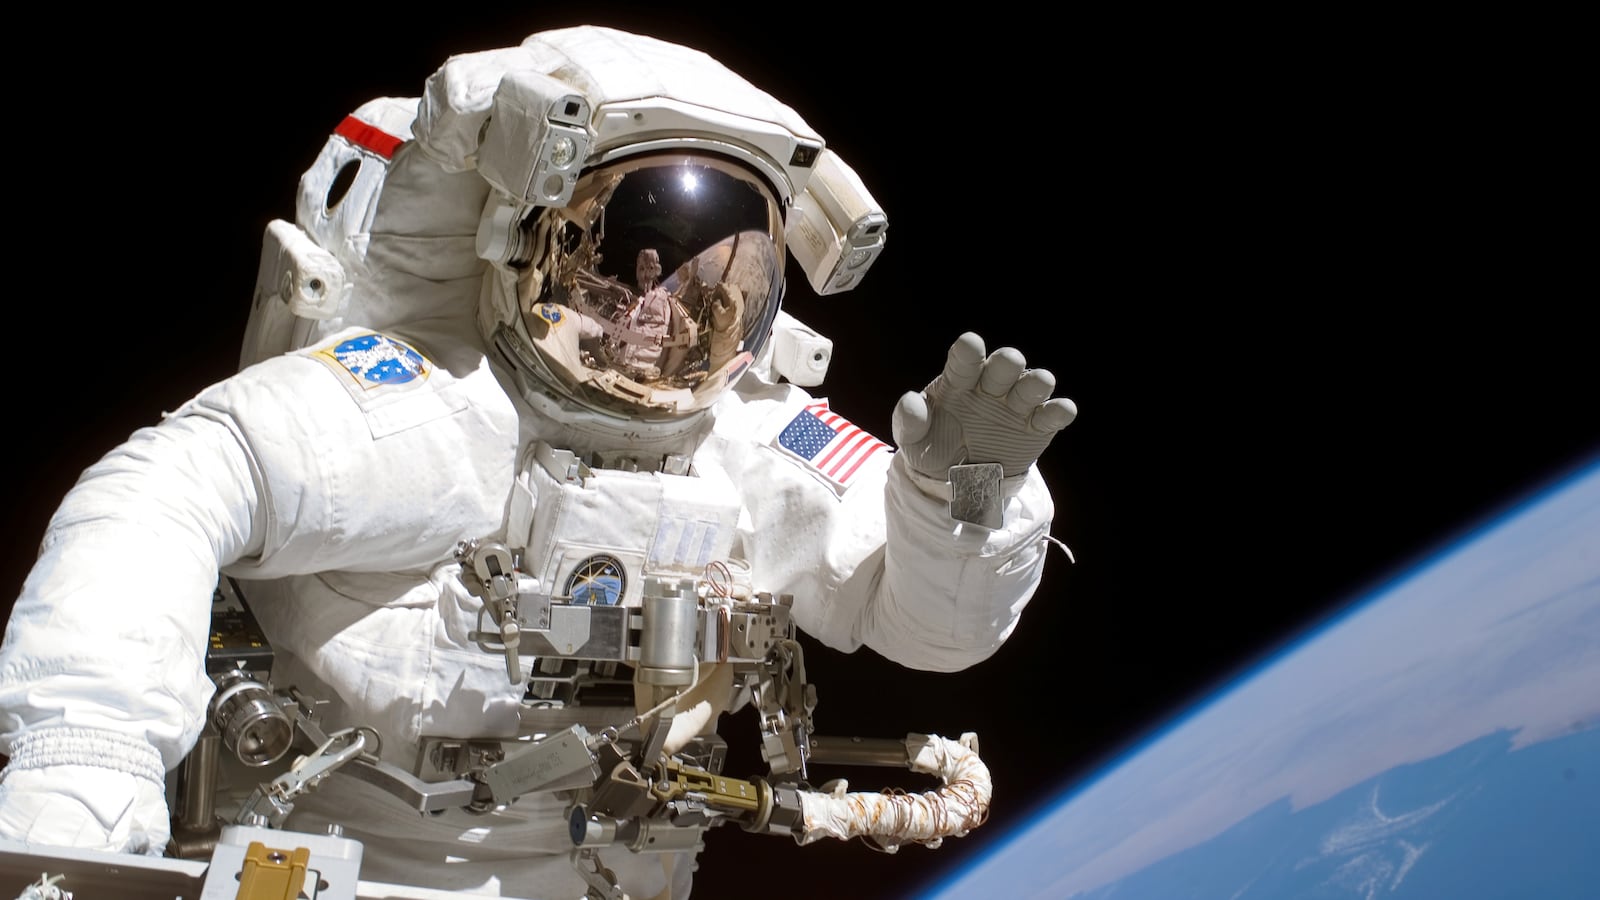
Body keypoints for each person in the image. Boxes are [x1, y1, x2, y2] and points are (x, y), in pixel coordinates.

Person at [0, 24, 1075, 900]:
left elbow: (928, 631)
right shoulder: (424, 402)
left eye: (709, 282)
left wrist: (959, 504)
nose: (660, 313)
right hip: (350, 867)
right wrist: (82, 774)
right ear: (525, 240)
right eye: (617, 263)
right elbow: (163, 493)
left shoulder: (757, 438)